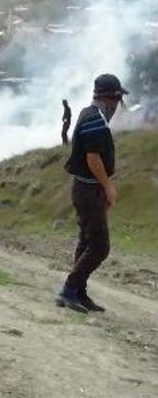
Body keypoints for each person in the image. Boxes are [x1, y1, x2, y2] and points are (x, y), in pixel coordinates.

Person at [56, 74, 127, 313]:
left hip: (87, 188)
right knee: (99, 246)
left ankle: (79, 292)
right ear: (113, 98)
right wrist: (108, 187)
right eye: (118, 100)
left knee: (86, 241)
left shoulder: (91, 114)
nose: (118, 107)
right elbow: (93, 157)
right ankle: (68, 289)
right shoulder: (95, 118)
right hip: (87, 189)